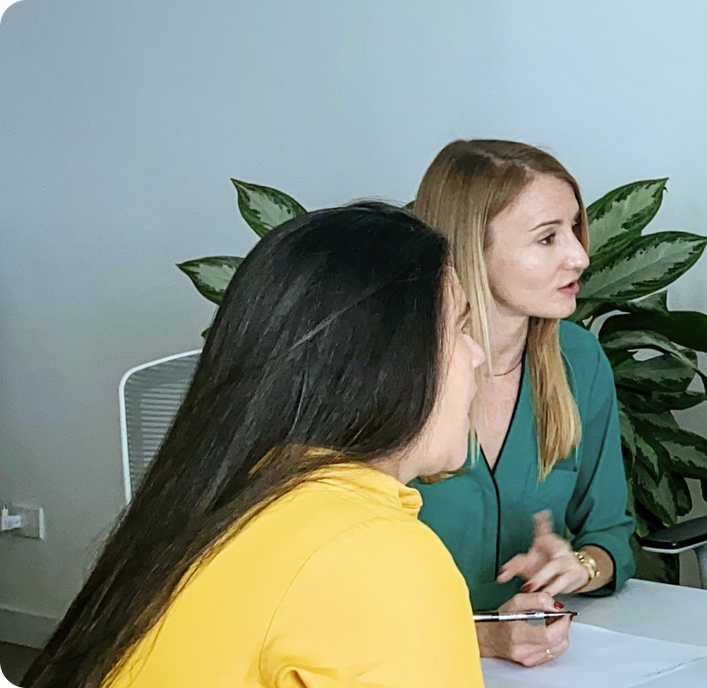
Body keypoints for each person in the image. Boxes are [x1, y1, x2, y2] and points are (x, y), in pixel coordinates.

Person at [24, 203, 490, 687]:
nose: (477, 356)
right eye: (459, 328)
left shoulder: (228, 504)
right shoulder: (377, 557)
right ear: (385, 359)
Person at [412, 140, 635, 667]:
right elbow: (332, 592)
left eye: (574, 229)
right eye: (547, 238)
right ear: (471, 248)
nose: (579, 255)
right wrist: (483, 636)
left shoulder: (579, 360)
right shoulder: (392, 375)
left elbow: (611, 535)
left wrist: (580, 565)